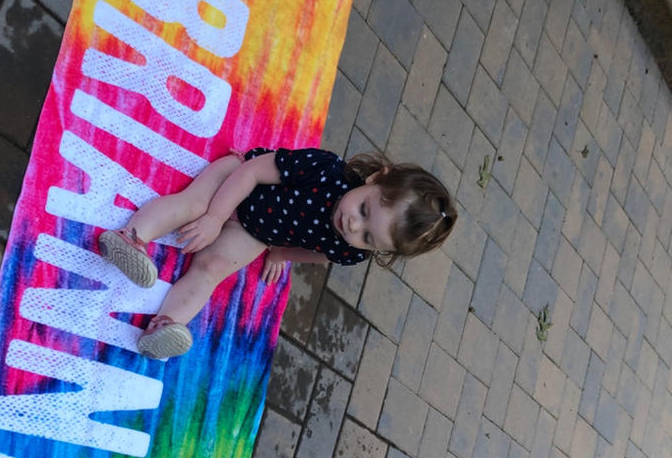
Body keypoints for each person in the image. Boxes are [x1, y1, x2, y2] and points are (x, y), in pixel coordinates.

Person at [99, 147, 456, 359]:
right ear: (376, 177)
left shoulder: (351, 250)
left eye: (368, 237)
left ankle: (165, 326)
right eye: (363, 210)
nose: (352, 226)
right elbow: (253, 171)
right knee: (191, 205)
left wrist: (279, 254)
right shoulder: (326, 169)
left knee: (211, 270)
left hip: (257, 232)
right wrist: (215, 216)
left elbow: (319, 253)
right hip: (236, 182)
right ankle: (133, 237)